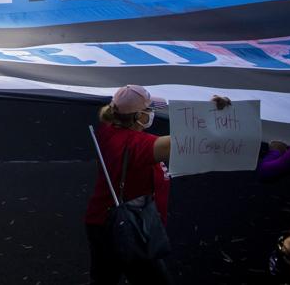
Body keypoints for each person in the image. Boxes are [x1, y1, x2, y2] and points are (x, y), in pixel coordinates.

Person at [85, 85, 231, 284]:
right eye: (148, 110)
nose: (152, 113)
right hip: (128, 227)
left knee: (104, 278)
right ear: (138, 116)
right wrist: (210, 112)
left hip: (103, 221)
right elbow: (182, 141)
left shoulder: (110, 130)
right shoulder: (138, 144)